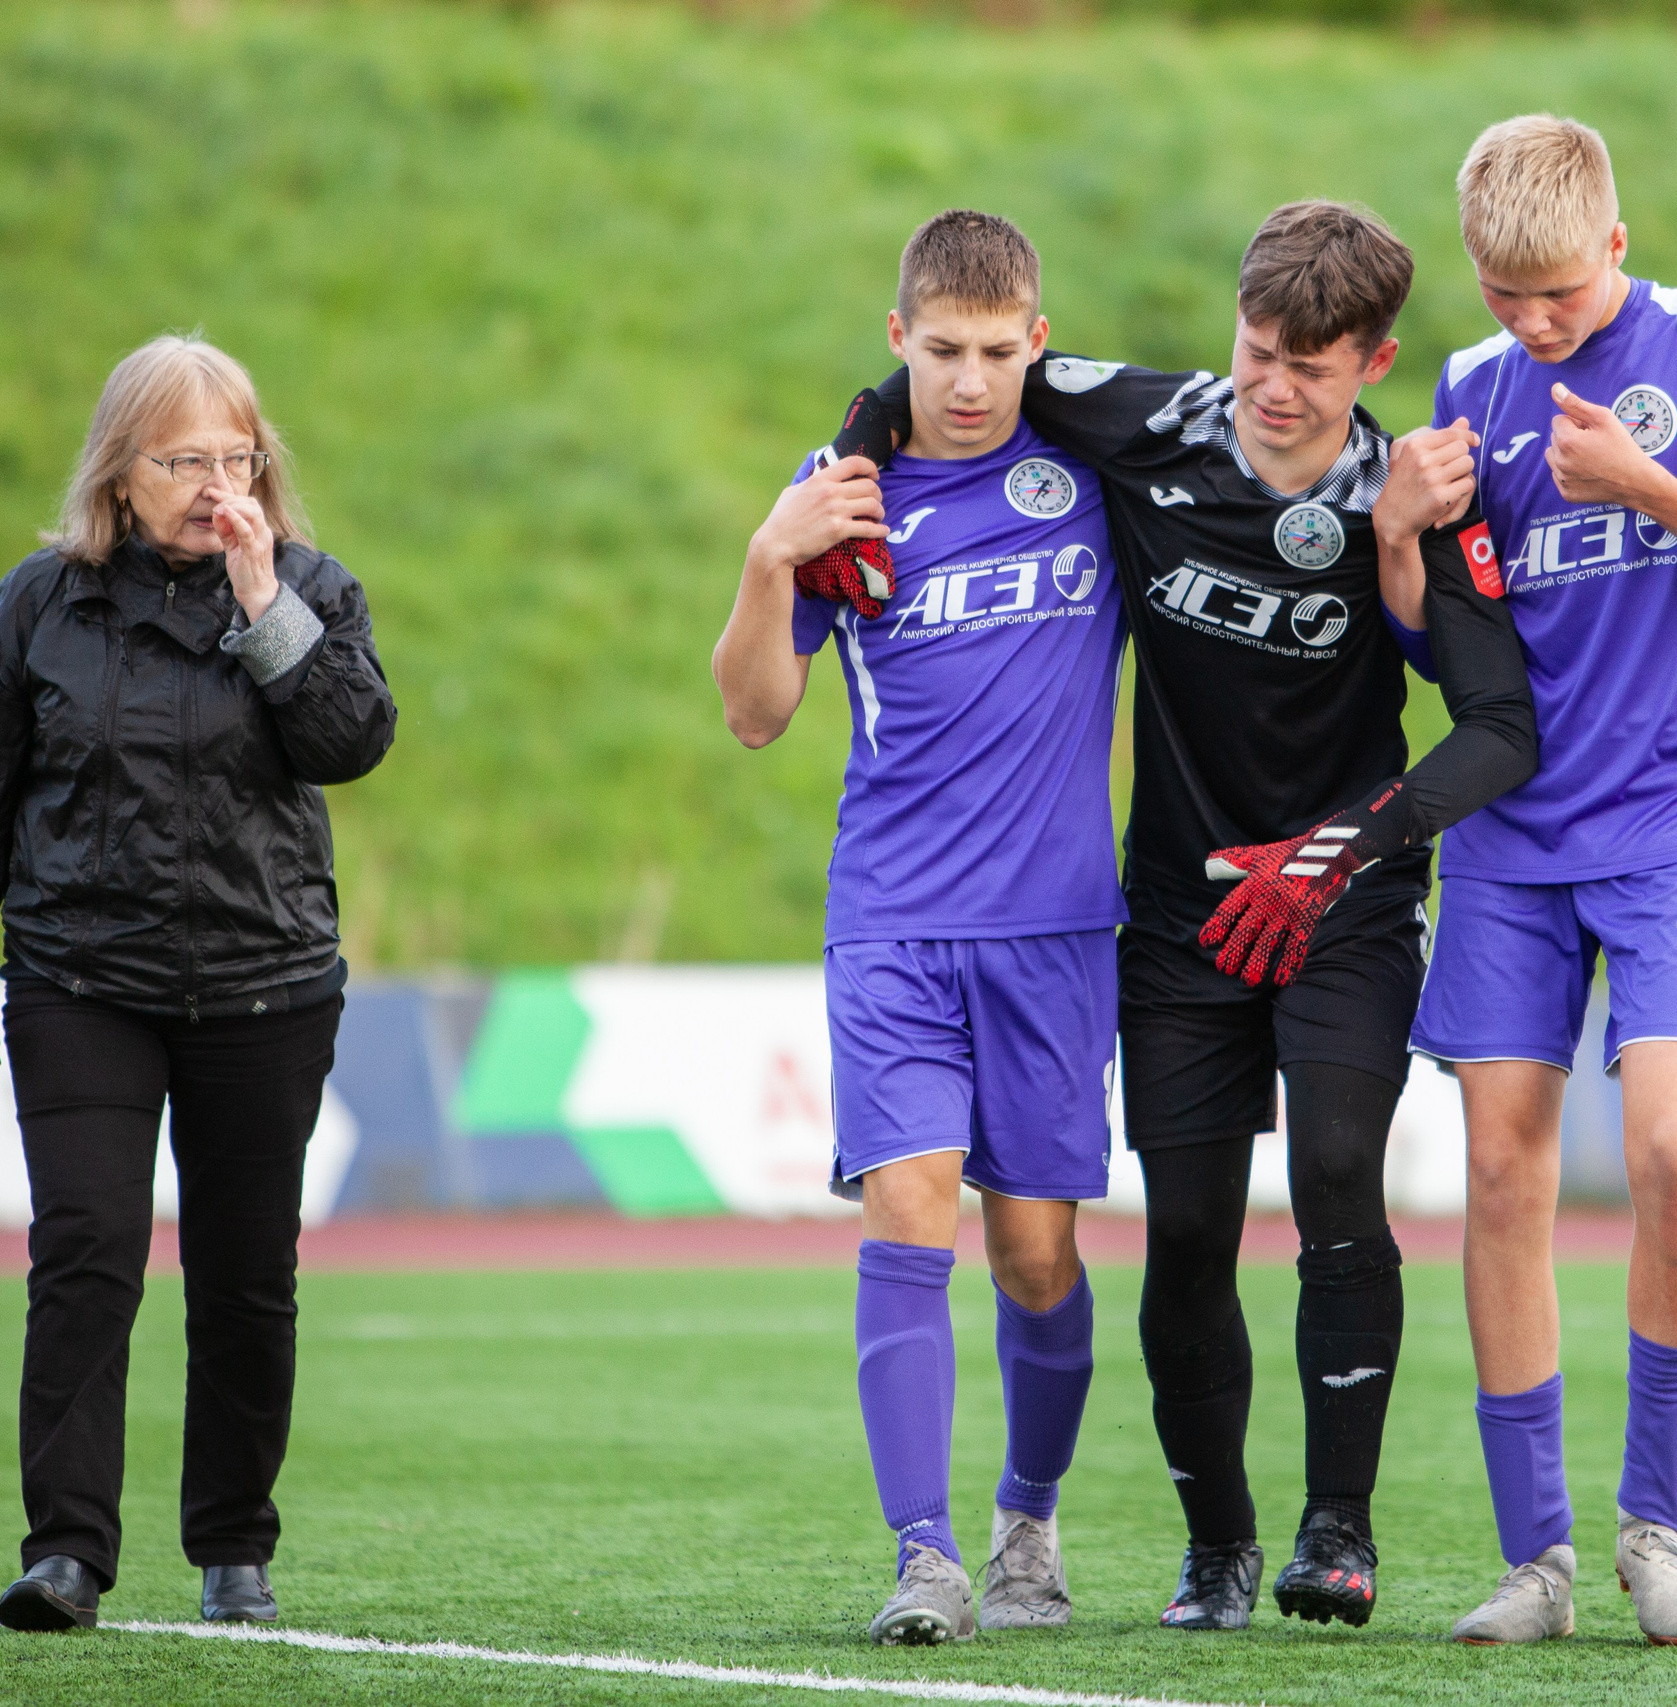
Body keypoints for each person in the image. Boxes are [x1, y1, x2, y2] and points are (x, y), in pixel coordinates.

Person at [853, 199, 1538, 1632]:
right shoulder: (1149, 422)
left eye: (1313, 363)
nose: (1275, 386)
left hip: (1342, 899)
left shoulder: (1410, 496)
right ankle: (1215, 1547)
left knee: (1344, 1173)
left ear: (1376, 358)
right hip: (1176, 915)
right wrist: (855, 461)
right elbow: (941, 370)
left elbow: (1498, 732)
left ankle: (1335, 1533)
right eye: (1257, 349)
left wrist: (1341, 851)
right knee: (1189, 1230)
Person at [1387, 116, 1677, 1647]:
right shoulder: (1464, 388)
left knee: (1670, 1161)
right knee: (1505, 1176)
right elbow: (1446, 648)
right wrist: (1404, 541)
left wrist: (1649, 485)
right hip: (1515, 840)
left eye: (1561, 300)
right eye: (1503, 297)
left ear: (1618, 247)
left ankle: (1660, 1530)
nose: (1530, 326)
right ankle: (1540, 1562)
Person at [0, 334, 397, 1632]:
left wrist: (262, 605)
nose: (212, 482)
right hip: (81, 984)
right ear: (119, 473)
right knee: (85, 1255)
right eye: (183, 459)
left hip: (267, 987)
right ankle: (67, 1553)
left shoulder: (307, 588)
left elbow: (351, 740)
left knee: (246, 1278)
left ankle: (235, 1552)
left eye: (236, 458)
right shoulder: (37, 606)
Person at [712, 212, 1125, 1645]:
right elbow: (757, 713)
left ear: (1037, 342)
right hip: (891, 924)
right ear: (899, 341)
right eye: (941, 350)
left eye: (997, 351)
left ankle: (1028, 1517)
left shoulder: (1093, 480)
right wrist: (771, 558)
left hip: (1059, 935)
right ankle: (926, 1555)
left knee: (1035, 1258)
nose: (968, 379)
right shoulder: (843, 497)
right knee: (908, 1212)